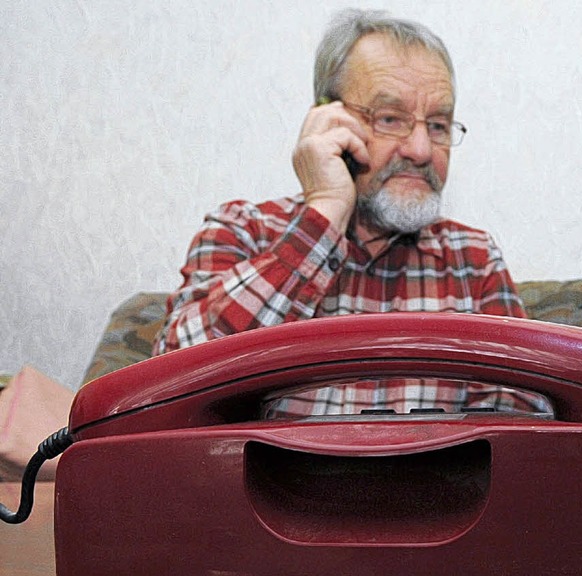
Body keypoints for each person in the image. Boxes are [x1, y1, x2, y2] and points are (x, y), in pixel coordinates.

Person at [154, 8, 544, 416]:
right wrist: (324, 211)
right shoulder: (243, 231)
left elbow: (519, 430)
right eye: (390, 118)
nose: (421, 150)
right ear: (328, 120)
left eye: (438, 126)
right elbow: (168, 390)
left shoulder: (474, 259)